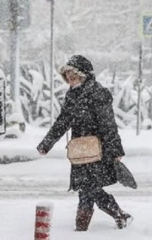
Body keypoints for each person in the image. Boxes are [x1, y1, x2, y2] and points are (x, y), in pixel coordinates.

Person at [36, 55, 132, 231]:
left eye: (74, 74)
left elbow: (108, 123)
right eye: (68, 75)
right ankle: (115, 216)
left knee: (89, 188)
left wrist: (115, 149)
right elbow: (63, 121)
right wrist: (46, 144)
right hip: (80, 150)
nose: (70, 78)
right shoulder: (72, 95)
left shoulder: (98, 93)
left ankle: (84, 227)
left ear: (84, 74)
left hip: (97, 149)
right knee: (86, 188)